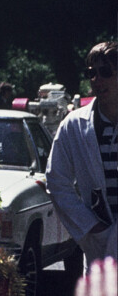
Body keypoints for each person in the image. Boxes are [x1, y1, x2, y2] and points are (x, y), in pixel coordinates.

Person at [46, 41, 118, 265]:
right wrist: (92, 229)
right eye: (92, 73)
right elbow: (56, 181)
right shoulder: (75, 125)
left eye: (105, 72)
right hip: (101, 248)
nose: (97, 80)